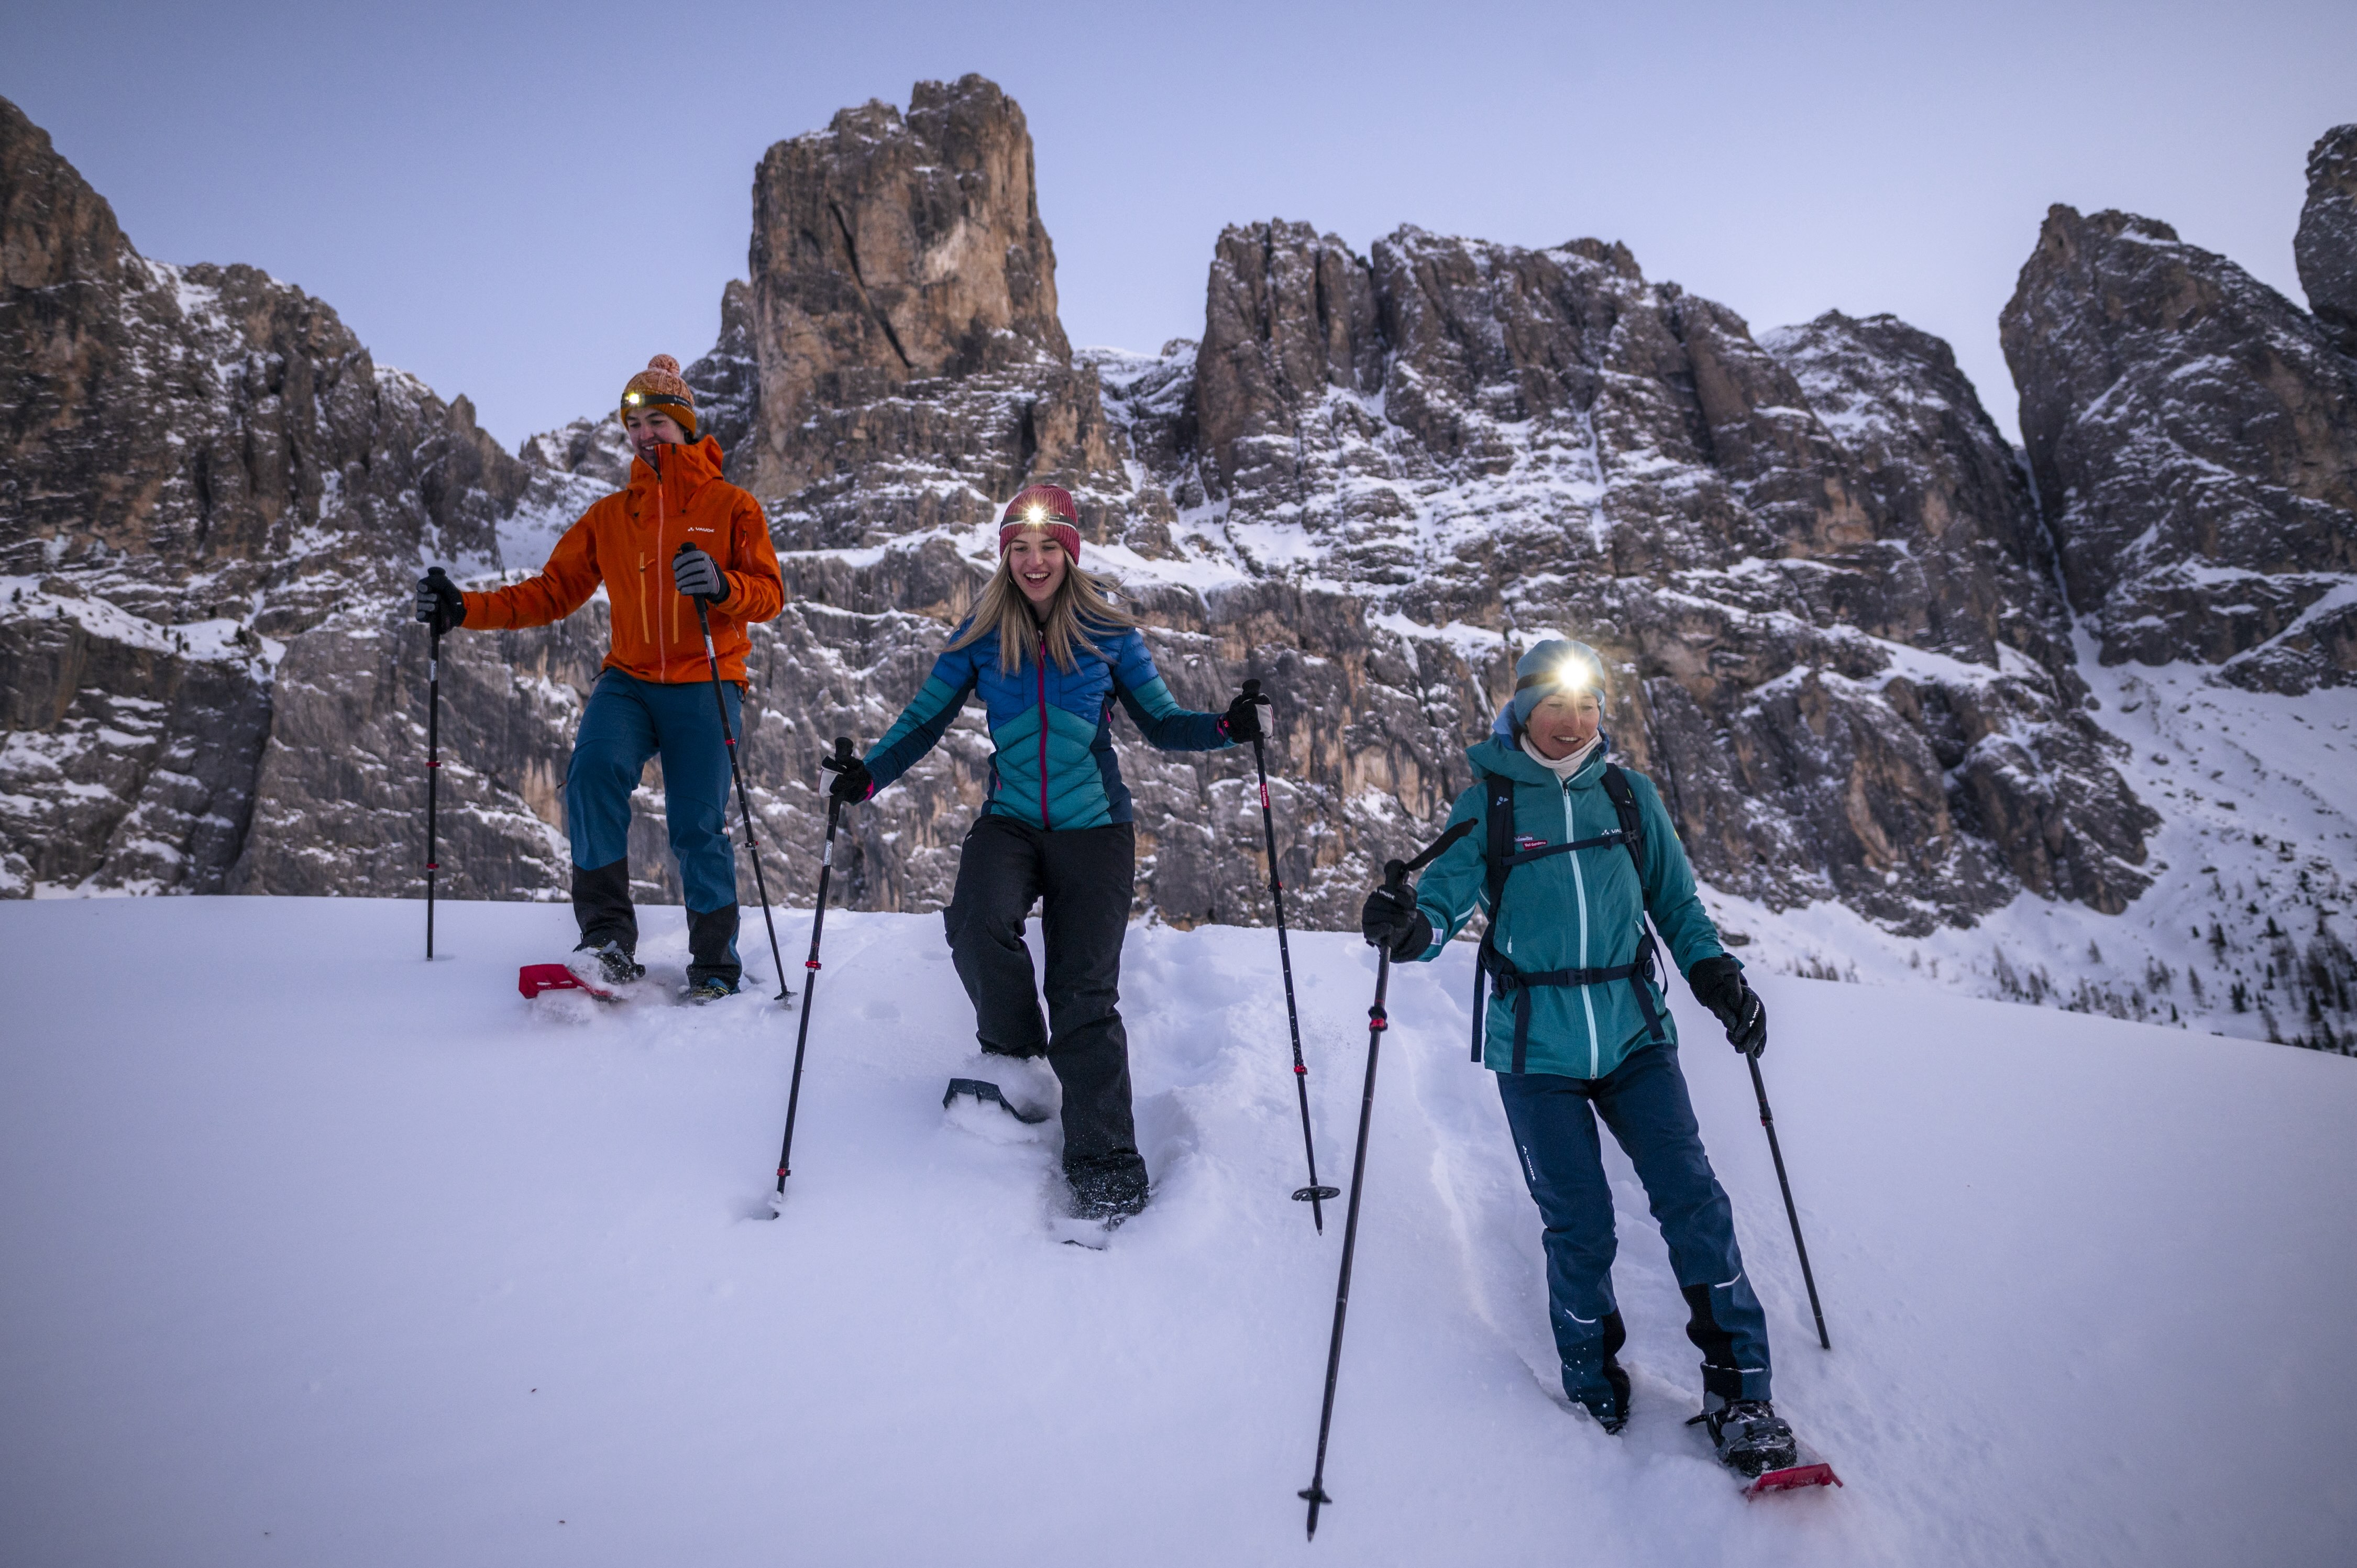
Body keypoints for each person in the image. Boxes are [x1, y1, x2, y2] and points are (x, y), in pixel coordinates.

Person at [1358, 639, 1798, 1476]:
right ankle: (1594, 1380)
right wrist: (1408, 929)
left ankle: (1743, 1392)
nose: (1573, 721)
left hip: (1635, 1034)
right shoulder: (1488, 802)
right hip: (1537, 1048)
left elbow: (1676, 903)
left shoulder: (1630, 796)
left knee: (1694, 1200)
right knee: (1581, 1221)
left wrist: (1716, 977)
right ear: (1524, 709)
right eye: (1556, 705)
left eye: (1588, 705)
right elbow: (1442, 906)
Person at [824, 484, 1259, 1221]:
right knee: (976, 920)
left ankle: (1105, 1164)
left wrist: (1226, 728)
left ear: (1070, 553)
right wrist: (867, 777)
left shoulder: (1108, 633)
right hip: (1013, 821)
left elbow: (1161, 722)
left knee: (1083, 993)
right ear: (1005, 556)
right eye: (1020, 547)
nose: (1034, 560)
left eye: (1048, 546)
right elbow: (924, 720)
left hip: (1096, 829)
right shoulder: (979, 634)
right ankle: (1017, 1060)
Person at [414, 355, 783, 1000]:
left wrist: (724, 585)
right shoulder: (612, 515)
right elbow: (551, 592)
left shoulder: (732, 506)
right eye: (633, 425)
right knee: (590, 775)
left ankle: (715, 966)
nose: (644, 434)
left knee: (696, 822)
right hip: (630, 680)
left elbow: (770, 595)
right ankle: (606, 942)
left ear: (685, 425)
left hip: (706, 679)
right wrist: (463, 609)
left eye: (656, 422)